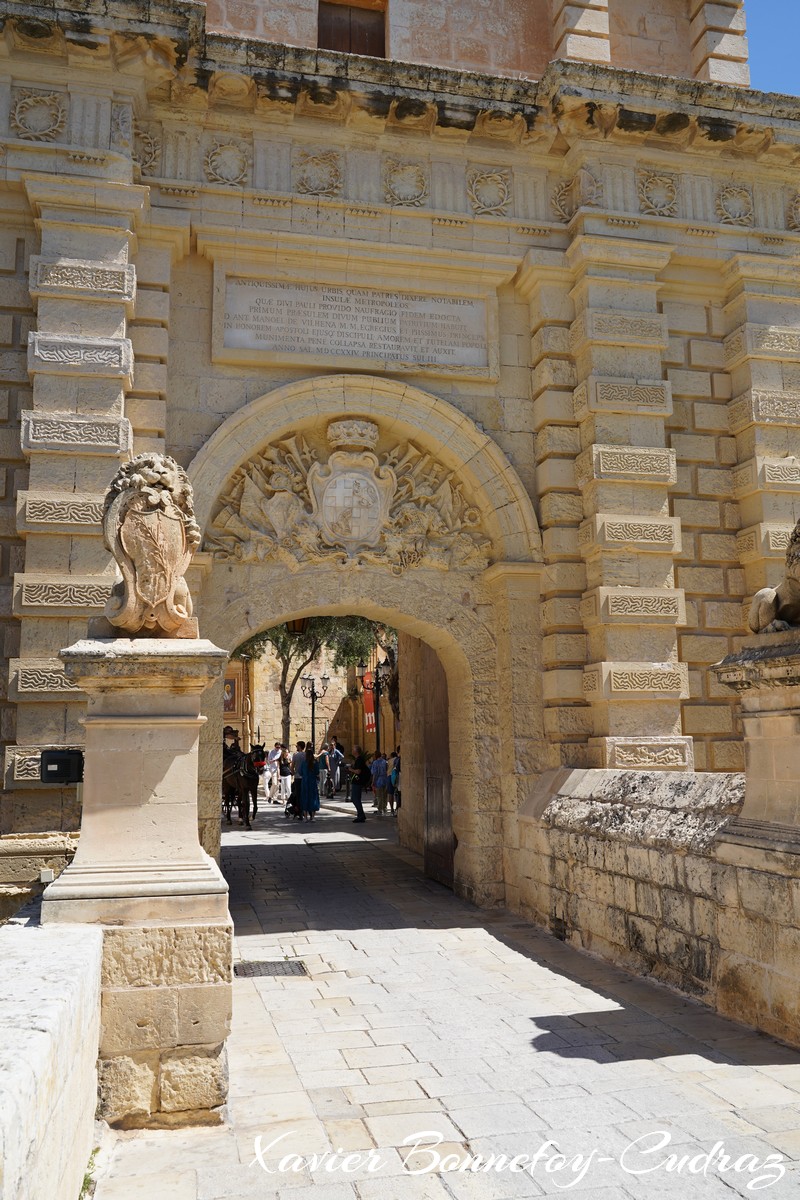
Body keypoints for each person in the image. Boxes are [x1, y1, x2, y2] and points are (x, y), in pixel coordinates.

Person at [299, 744, 321, 821]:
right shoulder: (315, 763)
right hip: (312, 782)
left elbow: (300, 772)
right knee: (313, 798)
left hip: (305, 782)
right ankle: (313, 817)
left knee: (305, 798)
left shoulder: (303, 763)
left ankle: (305, 817)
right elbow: (317, 772)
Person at [349, 745, 370, 824]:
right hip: (356, 782)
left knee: (355, 798)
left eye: (353, 749)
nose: (352, 750)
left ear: (356, 751)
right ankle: (361, 815)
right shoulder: (358, 759)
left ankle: (361, 815)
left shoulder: (359, 759)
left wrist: (350, 769)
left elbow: (358, 771)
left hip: (358, 782)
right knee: (356, 798)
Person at [370, 750, 389, 816]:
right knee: (385, 795)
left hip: (379, 780)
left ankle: (380, 809)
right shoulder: (385, 761)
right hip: (385, 779)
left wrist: (373, 782)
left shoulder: (375, 763)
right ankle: (385, 807)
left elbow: (375, 773)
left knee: (379, 795)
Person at [387, 746, 400, 815]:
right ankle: (397, 808)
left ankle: (391, 809)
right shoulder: (398, 759)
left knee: (390, 794)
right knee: (398, 793)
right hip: (397, 777)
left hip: (389, 777)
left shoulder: (389, 760)